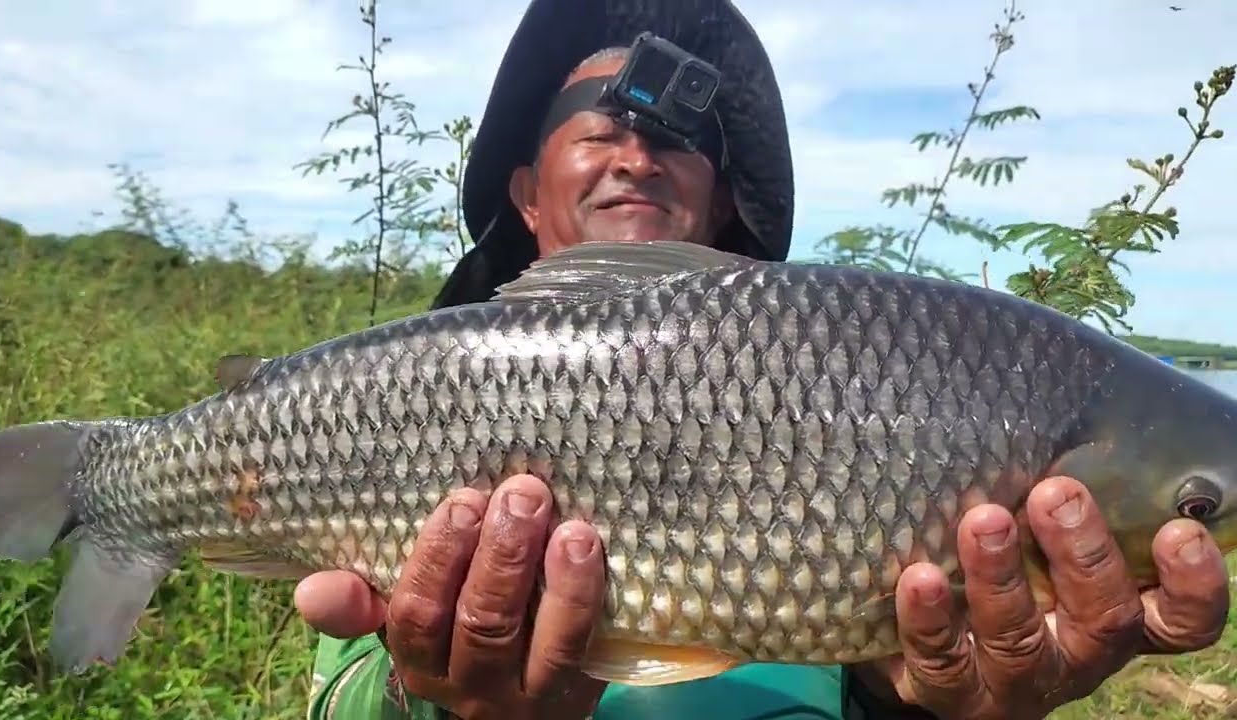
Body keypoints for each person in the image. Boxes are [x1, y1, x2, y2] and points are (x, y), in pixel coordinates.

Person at [296, 1, 1232, 718]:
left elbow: (910, 674)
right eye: (599, 133)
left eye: (674, 143)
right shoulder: (405, 397)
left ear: (723, 207)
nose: (636, 159)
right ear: (526, 196)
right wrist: (429, 699)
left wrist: (924, 703)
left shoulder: (850, 366)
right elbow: (337, 700)